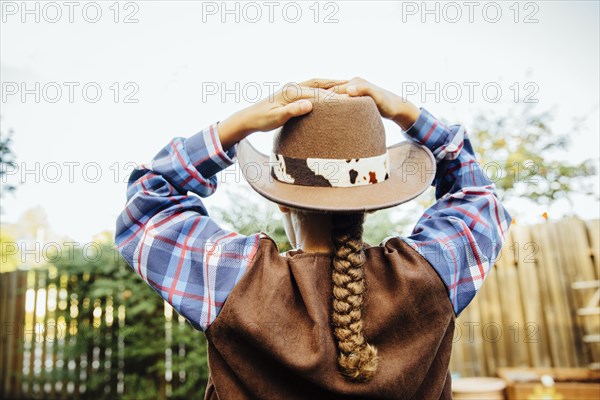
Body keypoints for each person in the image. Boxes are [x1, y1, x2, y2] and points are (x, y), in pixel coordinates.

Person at [115, 77, 511, 399]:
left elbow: (147, 202)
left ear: (282, 203)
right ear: (370, 203)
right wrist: (406, 113)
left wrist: (236, 127)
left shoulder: (233, 280)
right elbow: (478, 194)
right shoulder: (431, 273)